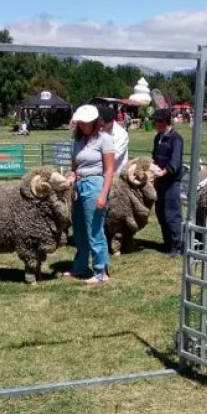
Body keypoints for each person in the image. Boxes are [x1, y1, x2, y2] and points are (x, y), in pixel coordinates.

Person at [66, 105, 114, 284]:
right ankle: (80, 266)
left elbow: (109, 171)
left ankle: (101, 271)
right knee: (79, 230)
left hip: (95, 185)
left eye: (86, 123)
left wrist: (103, 194)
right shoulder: (77, 142)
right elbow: (74, 168)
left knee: (94, 229)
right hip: (79, 186)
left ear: (95, 122)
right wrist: (71, 177)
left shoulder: (104, 140)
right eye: (80, 123)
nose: (82, 126)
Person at [151, 109, 185, 258]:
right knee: (161, 213)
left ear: (165, 122)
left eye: (157, 122)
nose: (155, 124)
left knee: (172, 214)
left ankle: (177, 246)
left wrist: (164, 172)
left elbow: (175, 162)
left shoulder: (175, 138)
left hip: (171, 181)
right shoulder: (158, 137)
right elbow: (155, 156)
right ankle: (167, 243)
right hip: (159, 181)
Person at [99, 107, 129, 175]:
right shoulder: (100, 129)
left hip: (116, 174)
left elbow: (115, 156)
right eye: (100, 124)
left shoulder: (121, 134)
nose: (101, 126)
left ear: (112, 121)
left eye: (104, 124)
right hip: (100, 172)